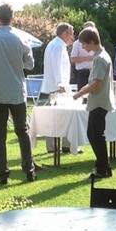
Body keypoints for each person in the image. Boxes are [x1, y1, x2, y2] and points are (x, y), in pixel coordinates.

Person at [0, 4, 37, 184]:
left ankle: (2, 173)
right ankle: (29, 169)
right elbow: (30, 65)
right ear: (13, 17)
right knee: (22, 131)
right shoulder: (21, 39)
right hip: (17, 92)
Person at [71, 27, 114, 180]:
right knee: (94, 134)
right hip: (98, 101)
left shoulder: (100, 58)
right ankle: (104, 167)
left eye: (84, 44)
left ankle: (103, 169)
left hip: (99, 101)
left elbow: (97, 84)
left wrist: (79, 94)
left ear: (91, 42)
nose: (82, 47)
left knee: (96, 135)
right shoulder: (100, 56)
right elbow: (94, 82)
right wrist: (82, 90)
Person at [41, 23, 79, 153]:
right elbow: (56, 66)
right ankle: (58, 146)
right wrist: (60, 84)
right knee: (59, 117)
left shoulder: (56, 44)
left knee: (60, 116)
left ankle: (63, 145)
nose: (73, 36)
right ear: (64, 34)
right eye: (71, 33)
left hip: (57, 86)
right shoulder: (57, 46)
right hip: (58, 87)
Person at [71, 21, 97, 90]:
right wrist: (87, 58)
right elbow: (73, 59)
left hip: (94, 72)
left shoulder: (96, 43)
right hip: (82, 73)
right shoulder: (77, 43)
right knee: (83, 96)